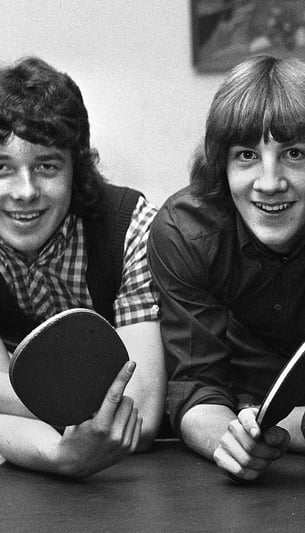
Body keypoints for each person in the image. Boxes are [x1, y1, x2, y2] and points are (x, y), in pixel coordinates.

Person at [147, 54, 305, 482]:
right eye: (247, 155)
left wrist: (255, 426)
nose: (269, 182)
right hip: (230, 444)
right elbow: (194, 388)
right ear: (221, 164)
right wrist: (229, 440)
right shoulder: (183, 230)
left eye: (293, 154)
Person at [0, 57, 165, 476]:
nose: (25, 191)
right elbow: (111, 413)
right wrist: (61, 455)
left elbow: (139, 413)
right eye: (2, 168)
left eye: (46, 166)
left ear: (78, 167)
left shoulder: (129, 228)